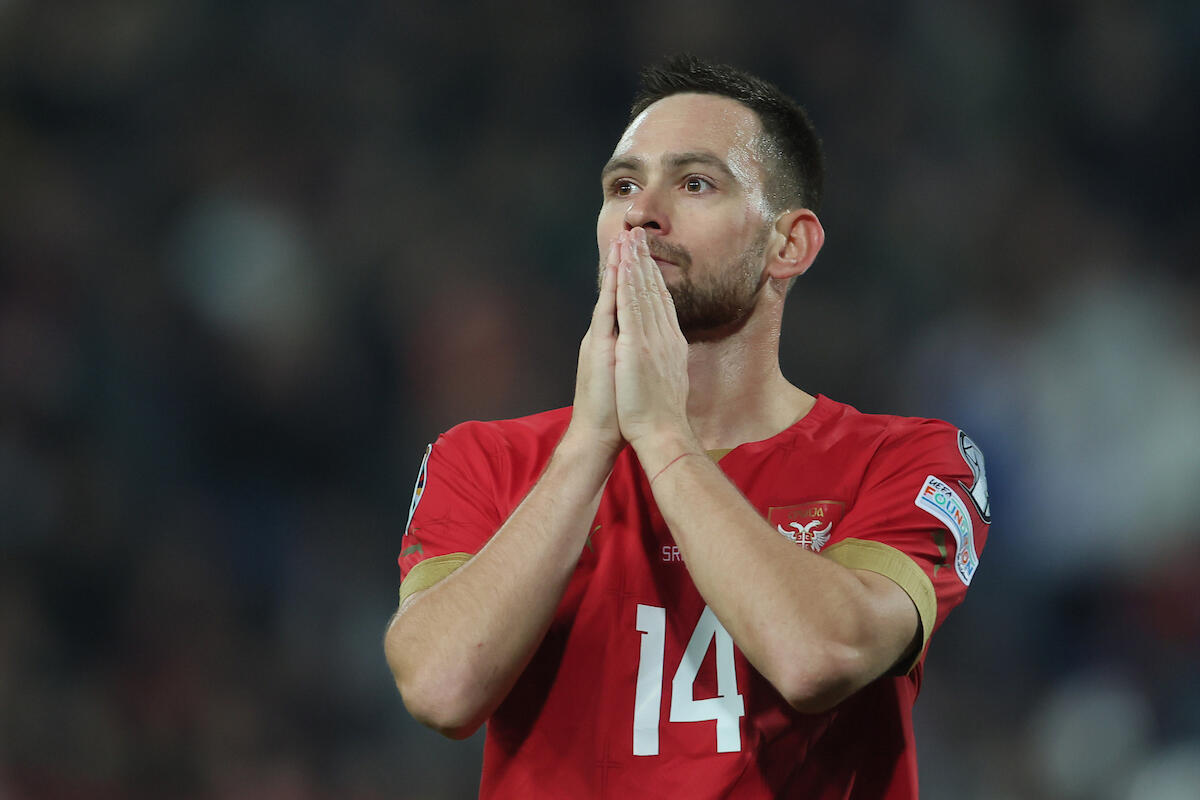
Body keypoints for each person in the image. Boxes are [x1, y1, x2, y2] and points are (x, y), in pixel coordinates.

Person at [384, 54, 990, 799]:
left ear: (789, 245)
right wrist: (590, 445)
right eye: (623, 186)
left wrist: (664, 437)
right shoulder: (482, 459)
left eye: (696, 183)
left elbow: (819, 657)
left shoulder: (907, 460)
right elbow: (440, 689)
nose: (641, 213)